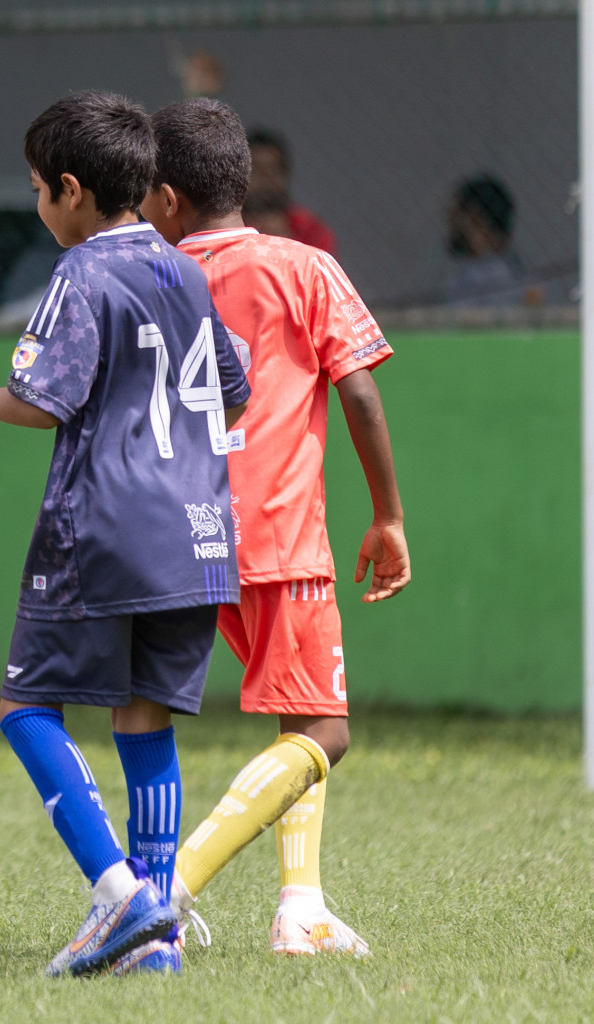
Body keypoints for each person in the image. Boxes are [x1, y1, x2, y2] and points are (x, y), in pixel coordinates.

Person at [0, 91, 250, 977]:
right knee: (144, 717)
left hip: (103, 529)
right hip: (196, 536)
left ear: (70, 190)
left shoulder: (82, 273)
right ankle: (158, 940)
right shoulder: (184, 271)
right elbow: (234, 387)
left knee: (26, 706)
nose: (40, 207)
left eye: (39, 189)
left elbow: (44, 399)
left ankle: (121, 896)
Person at [143, 98, 409, 956]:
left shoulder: (148, 273)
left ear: (167, 197)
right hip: (279, 536)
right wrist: (390, 516)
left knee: (296, 721)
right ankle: (162, 892)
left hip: (173, 535)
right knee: (324, 730)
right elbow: (359, 389)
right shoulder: (303, 266)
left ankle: (302, 908)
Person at [444, 175, 538, 307]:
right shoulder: (464, 275)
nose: (453, 227)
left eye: (459, 219)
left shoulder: (505, 276)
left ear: (478, 221)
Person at [246, 129, 338, 257]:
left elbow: (320, 272)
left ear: (285, 175)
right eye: (255, 171)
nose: (265, 180)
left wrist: (287, 242)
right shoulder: (223, 225)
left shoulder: (310, 229)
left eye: (273, 171)